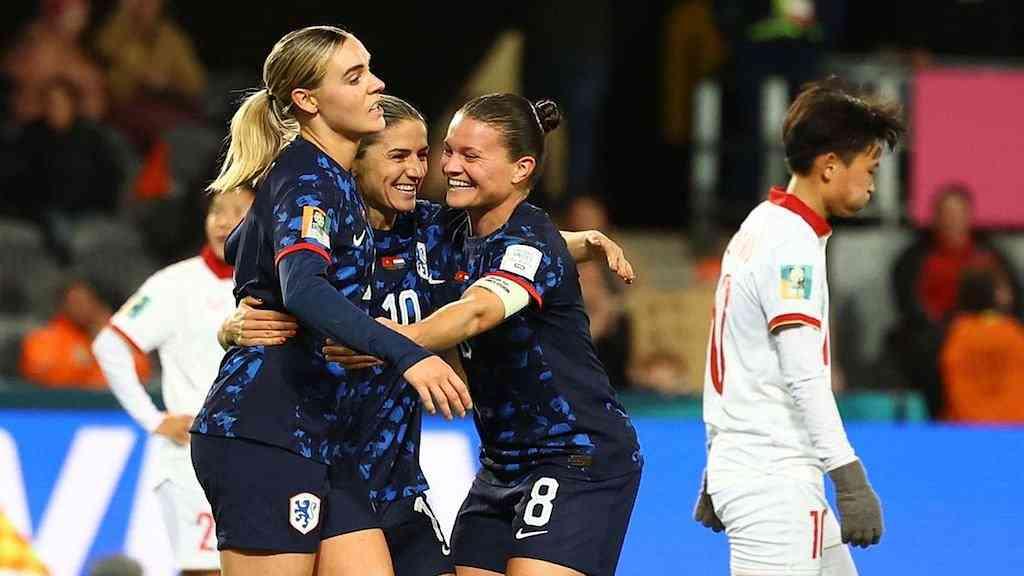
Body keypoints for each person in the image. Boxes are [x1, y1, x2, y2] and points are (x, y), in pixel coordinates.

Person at [222, 94, 635, 576]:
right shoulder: (328, 230)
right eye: (406, 155)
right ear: (354, 162)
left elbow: (487, 293)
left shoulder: (434, 231)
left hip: (564, 457)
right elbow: (245, 252)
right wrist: (231, 326)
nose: (425, 170)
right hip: (337, 461)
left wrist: (396, 345)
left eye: (424, 154)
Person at [187, 26, 469, 576]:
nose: (376, 84)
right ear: (307, 100)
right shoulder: (308, 178)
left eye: (370, 70)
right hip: (266, 431)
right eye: (355, 76)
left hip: (321, 436)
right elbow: (303, 286)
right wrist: (408, 354)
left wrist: (251, 294)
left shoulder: (327, 179)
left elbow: (242, 242)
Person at [694, 78, 905, 576]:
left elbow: (735, 353)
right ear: (830, 165)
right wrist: (850, 478)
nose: (873, 185)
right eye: (870, 168)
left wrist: (719, 459)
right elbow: (803, 374)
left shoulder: (760, 224)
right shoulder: (792, 247)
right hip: (774, 483)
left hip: (759, 468)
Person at [91, 187, 262, 576]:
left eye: (238, 210)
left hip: (263, 455)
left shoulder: (285, 282)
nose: (223, 222)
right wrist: (153, 420)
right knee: (209, 571)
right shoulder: (175, 284)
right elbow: (109, 346)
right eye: (217, 210)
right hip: (193, 461)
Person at [889, 183, 1022, 417]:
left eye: (959, 214)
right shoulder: (914, 259)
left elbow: (1013, 299)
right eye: (946, 214)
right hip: (936, 336)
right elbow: (910, 305)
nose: (953, 221)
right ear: (935, 218)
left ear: (969, 216)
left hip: (990, 329)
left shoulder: (990, 255)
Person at [20, 276, 150, 390]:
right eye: (75, 301)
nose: (81, 307)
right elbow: (42, 375)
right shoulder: (44, 338)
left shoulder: (116, 336)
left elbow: (139, 373)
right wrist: (81, 366)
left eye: (86, 301)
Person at [939, 267, 1024, 423]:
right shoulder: (1013, 333)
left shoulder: (954, 333)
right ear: (995, 294)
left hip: (966, 425)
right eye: (1004, 288)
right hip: (1014, 424)